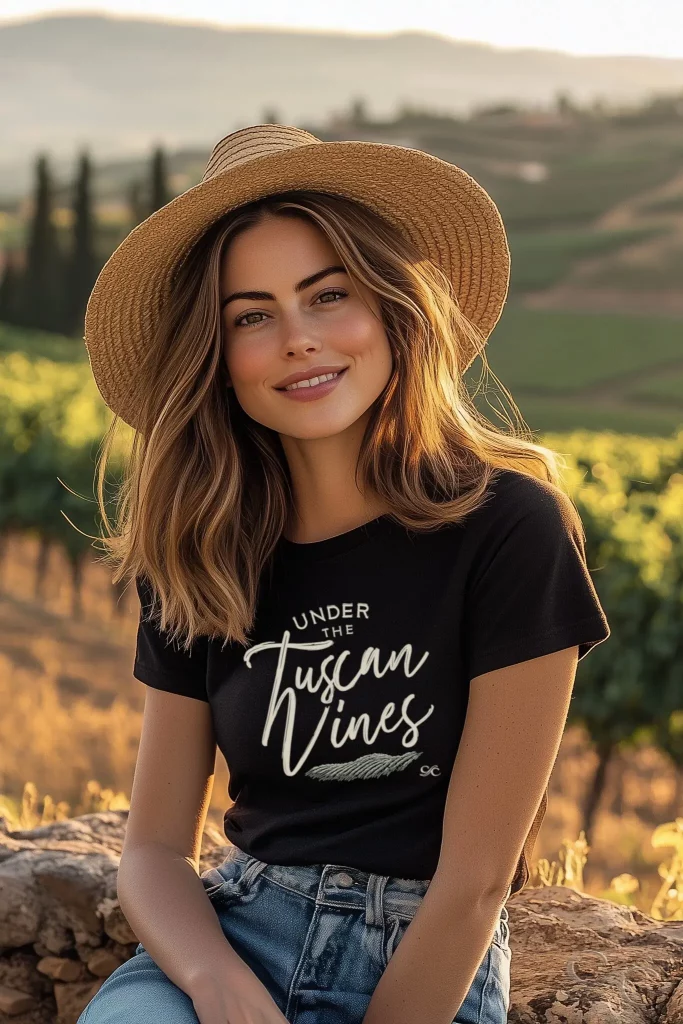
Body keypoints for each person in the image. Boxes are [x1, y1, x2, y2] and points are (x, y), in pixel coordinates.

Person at [78, 124, 610, 1024]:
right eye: (251, 315)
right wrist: (213, 985)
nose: (297, 339)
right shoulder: (201, 552)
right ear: (217, 359)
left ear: (392, 307)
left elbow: (475, 883)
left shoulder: (510, 531)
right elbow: (155, 851)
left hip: (428, 966)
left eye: (329, 295)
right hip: (236, 935)